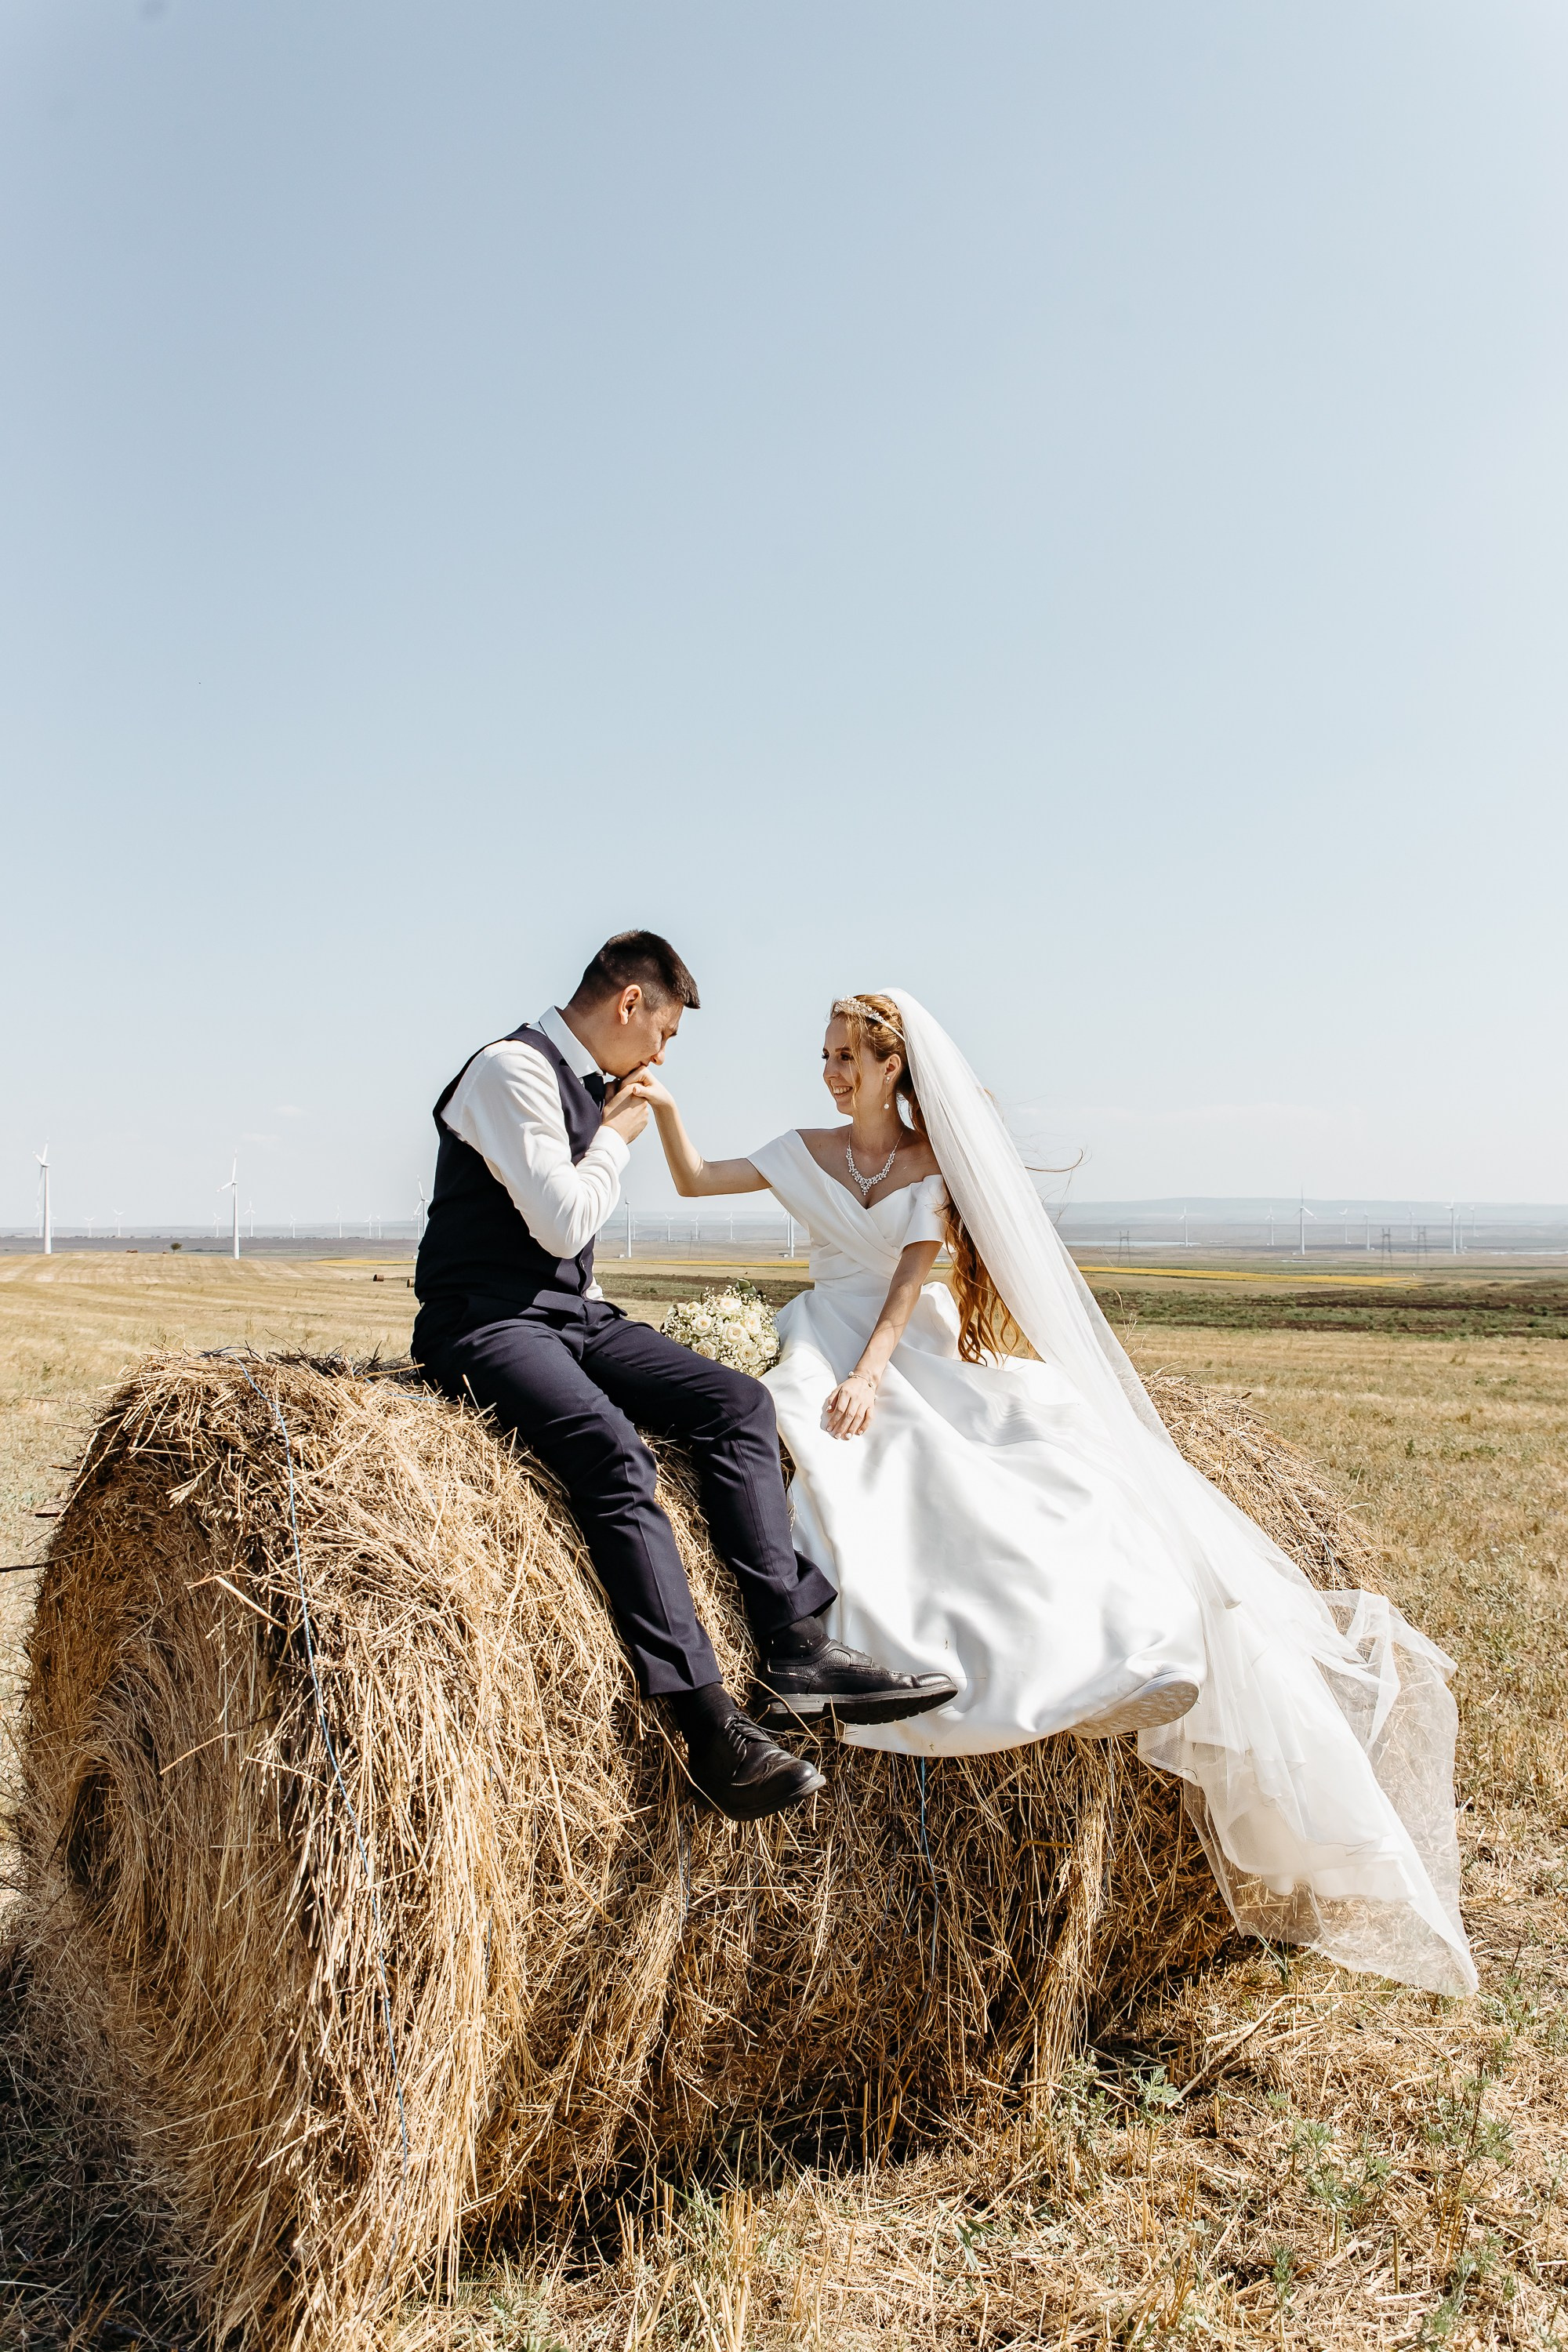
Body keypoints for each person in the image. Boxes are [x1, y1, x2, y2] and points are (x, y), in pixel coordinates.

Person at [641, 989, 1477, 1996]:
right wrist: (665, 1109)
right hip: (822, 1330)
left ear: (893, 1068)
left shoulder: (928, 1168)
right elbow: (691, 1183)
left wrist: (870, 1377)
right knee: (839, 1468)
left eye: (849, 1060)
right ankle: (871, 1643)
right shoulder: (800, 1149)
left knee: (1010, 1466)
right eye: (824, 1057)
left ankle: (1111, 1661)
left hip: (905, 1344)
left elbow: (906, 1294)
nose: (831, 1073)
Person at [411, 935, 956, 1825]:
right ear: (630, 1005)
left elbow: (567, 1258)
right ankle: (708, 1728)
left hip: (572, 1316)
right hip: (485, 1321)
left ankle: (792, 1647)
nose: (662, 1055)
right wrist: (622, 1134)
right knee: (613, 1456)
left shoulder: (587, 1085)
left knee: (736, 1402)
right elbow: (559, 1221)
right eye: (662, 1032)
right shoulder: (508, 1071)